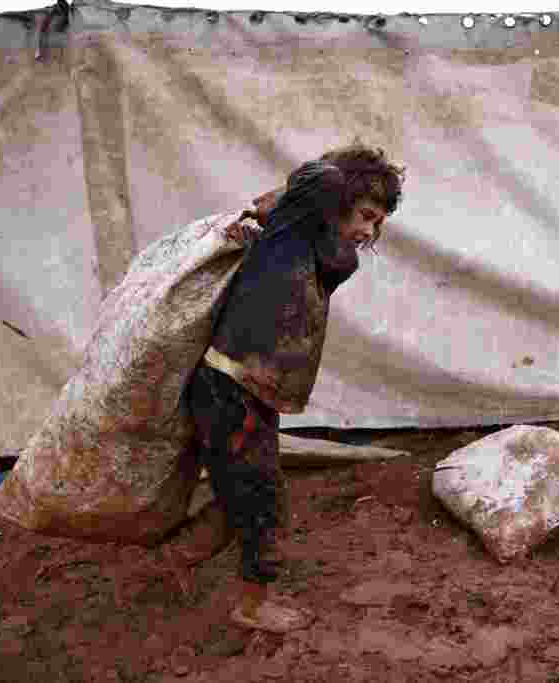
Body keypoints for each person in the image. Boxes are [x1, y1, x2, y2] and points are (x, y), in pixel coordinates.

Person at [186, 142, 406, 633]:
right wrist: (365, 170)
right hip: (229, 381)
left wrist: (357, 205)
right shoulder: (295, 219)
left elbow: (334, 243)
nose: (369, 230)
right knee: (262, 494)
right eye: (366, 214)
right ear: (340, 196)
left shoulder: (330, 247)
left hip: (257, 388)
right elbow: (313, 176)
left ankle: (194, 555)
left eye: (378, 223)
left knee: (237, 488)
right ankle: (251, 605)